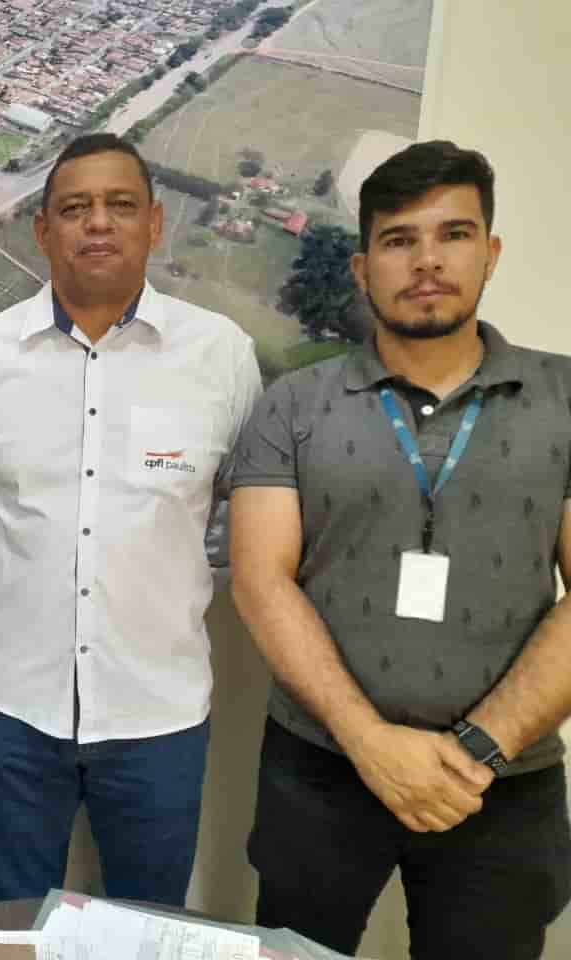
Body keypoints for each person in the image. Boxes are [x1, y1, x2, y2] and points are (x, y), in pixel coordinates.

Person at [230, 140, 571, 958]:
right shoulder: (294, 406)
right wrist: (371, 743)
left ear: (489, 253)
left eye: (453, 235)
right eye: (398, 240)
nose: (427, 261)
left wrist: (474, 753)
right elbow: (260, 581)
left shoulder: (564, 399)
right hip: (319, 769)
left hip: (503, 783)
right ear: (361, 267)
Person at [0, 133, 262, 906]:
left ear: (155, 224)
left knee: (147, 928)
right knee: (7, 931)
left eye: (120, 206)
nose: (98, 224)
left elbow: (239, 515)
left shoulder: (221, 355)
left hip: (158, 713)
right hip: (14, 710)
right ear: (43, 231)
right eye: (75, 208)